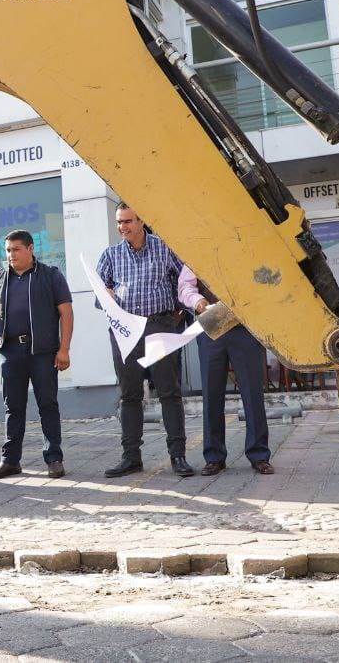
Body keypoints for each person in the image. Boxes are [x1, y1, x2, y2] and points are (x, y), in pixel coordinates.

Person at [95, 203, 193, 478]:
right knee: (129, 396)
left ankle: (178, 456)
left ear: (141, 221)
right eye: (118, 222)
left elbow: (185, 283)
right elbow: (99, 293)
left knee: (169, 393)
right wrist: (107, 298)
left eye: (127, 221)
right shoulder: (111, 254)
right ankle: (131, 457)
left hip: (160, 325)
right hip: (126, 331)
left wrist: (176, 314)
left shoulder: (165, 247)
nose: (122, 227)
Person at [0, 229, 73, 480]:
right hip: (9, 351)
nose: (11, 255)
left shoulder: (50, 276)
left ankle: (54, 458)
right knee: (12, 408)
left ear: (30, 249)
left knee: (48, 405)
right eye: (8, 250)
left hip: (42, 352)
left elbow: (66, 313)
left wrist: (64, 349)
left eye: (16, 249)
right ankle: (10, 461)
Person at [178, 266, 273, 475]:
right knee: (211, 394)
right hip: (211, 324)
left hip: (245, 327)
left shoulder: (244, 243)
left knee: (252, 393)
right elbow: (185, 286)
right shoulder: (194, 247)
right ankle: (214, 457)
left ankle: (259, 455)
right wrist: (198, 302)